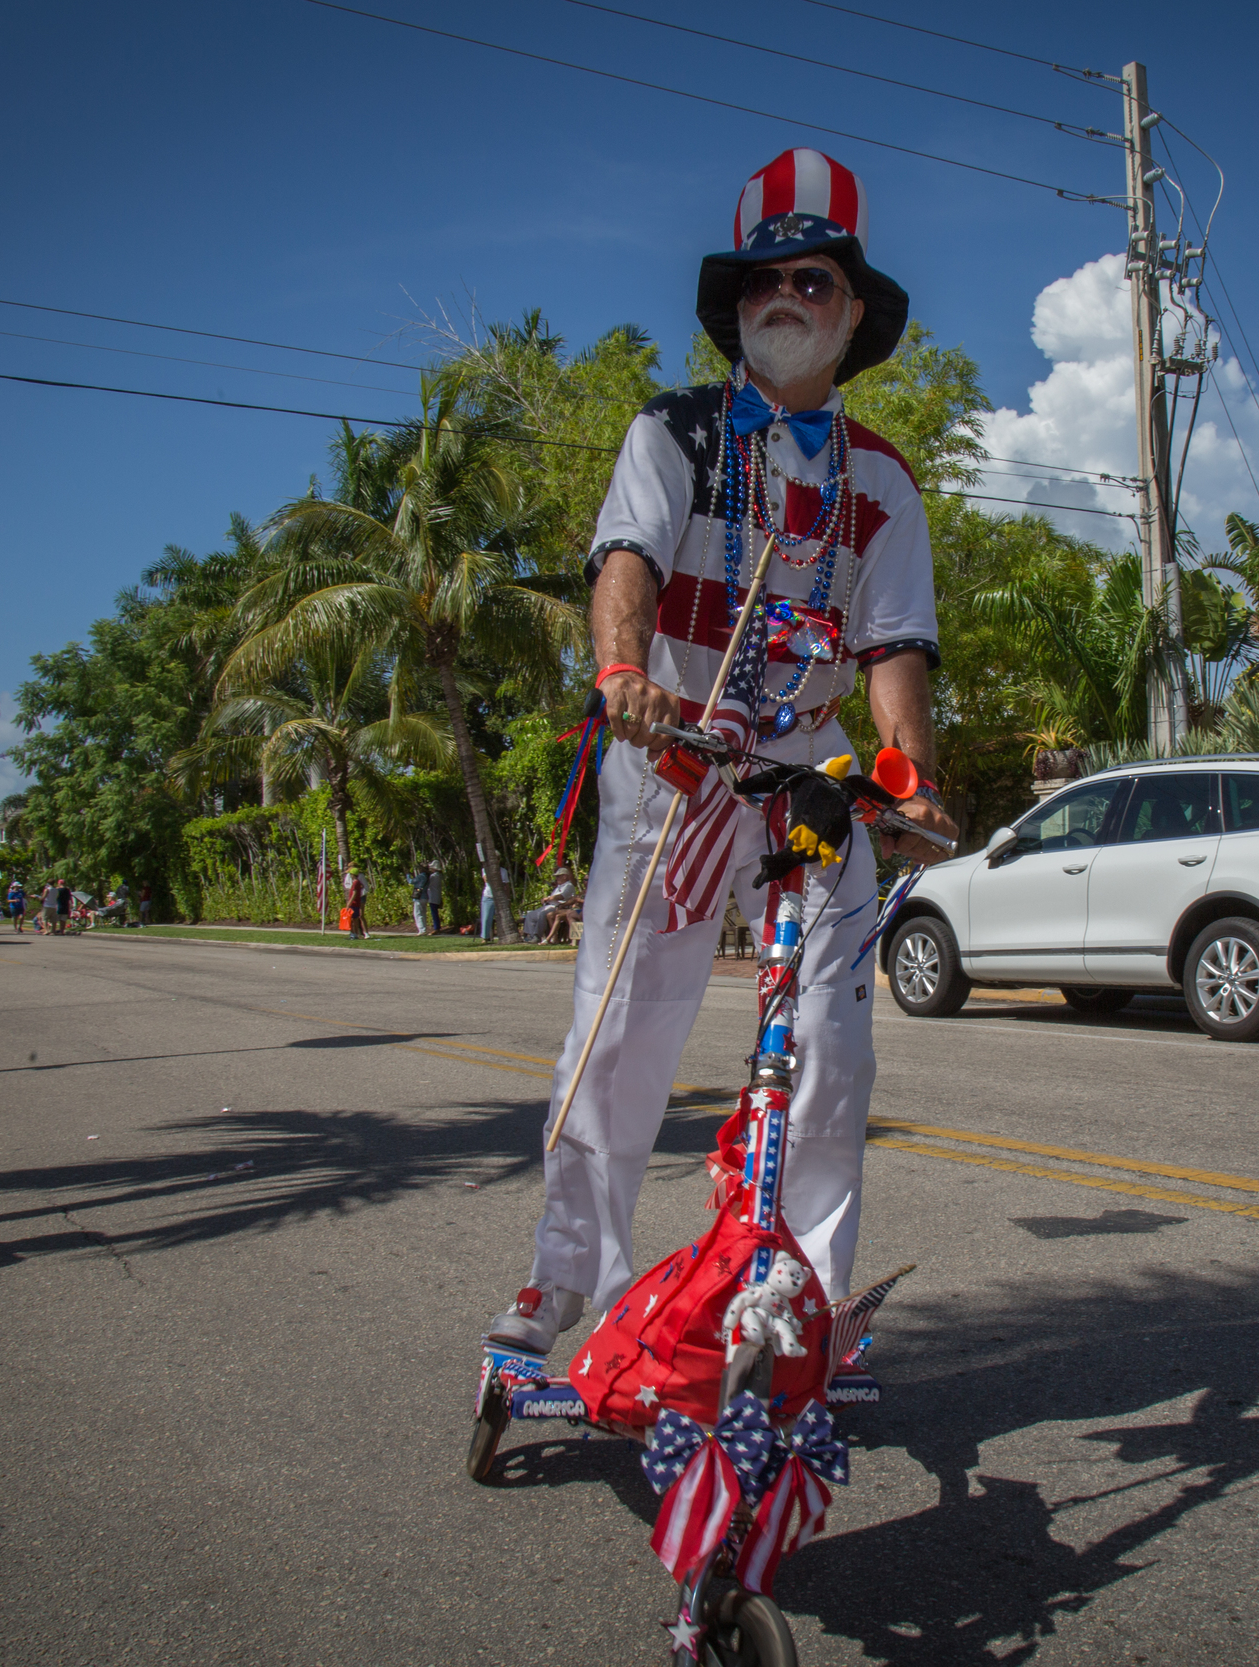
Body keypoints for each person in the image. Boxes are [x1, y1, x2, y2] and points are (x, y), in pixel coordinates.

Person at [485, 149, 955, 1355]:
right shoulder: (674, 430)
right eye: (761, 279)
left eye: (811, 276)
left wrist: (912, 778)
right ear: (735, 307)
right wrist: (624, 672)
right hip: (674, 755)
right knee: (619, 1031)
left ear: (852, 312)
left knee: (832, 1048)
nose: (781, 294)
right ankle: (563, 1279)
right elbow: (625, 562)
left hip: (809, 773)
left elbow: (897, 644)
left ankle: (796, 1298)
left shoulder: (887, 481)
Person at [343, 867, 367, 938]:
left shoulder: (355, 883)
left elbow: (354, 893)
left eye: (351, 874)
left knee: (353, 919)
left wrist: (349, 903)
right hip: (356, 903)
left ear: (353, 875)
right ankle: (355, 933)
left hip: (354, 903)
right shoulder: (357, 882)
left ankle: (354, 933)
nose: (350, 876)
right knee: (355, 919)